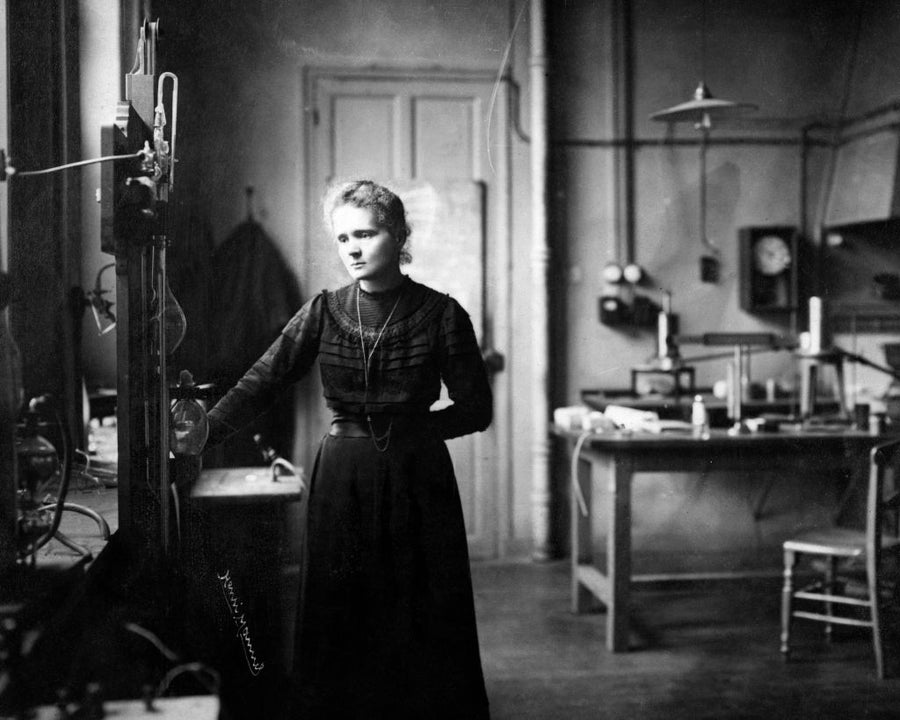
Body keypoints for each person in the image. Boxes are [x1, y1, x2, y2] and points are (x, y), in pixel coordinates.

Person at [205, 179, 493, 719]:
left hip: (418, 477)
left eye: (367, 233)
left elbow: (476, 409)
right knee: (340, 612)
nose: (354, 249)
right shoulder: (323, 311)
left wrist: (414, 434)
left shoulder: (442, 314)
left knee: (421, 611)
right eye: (343, 239)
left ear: (399, 235)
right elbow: (261, 381)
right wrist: (204, 432)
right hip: (343, 476)